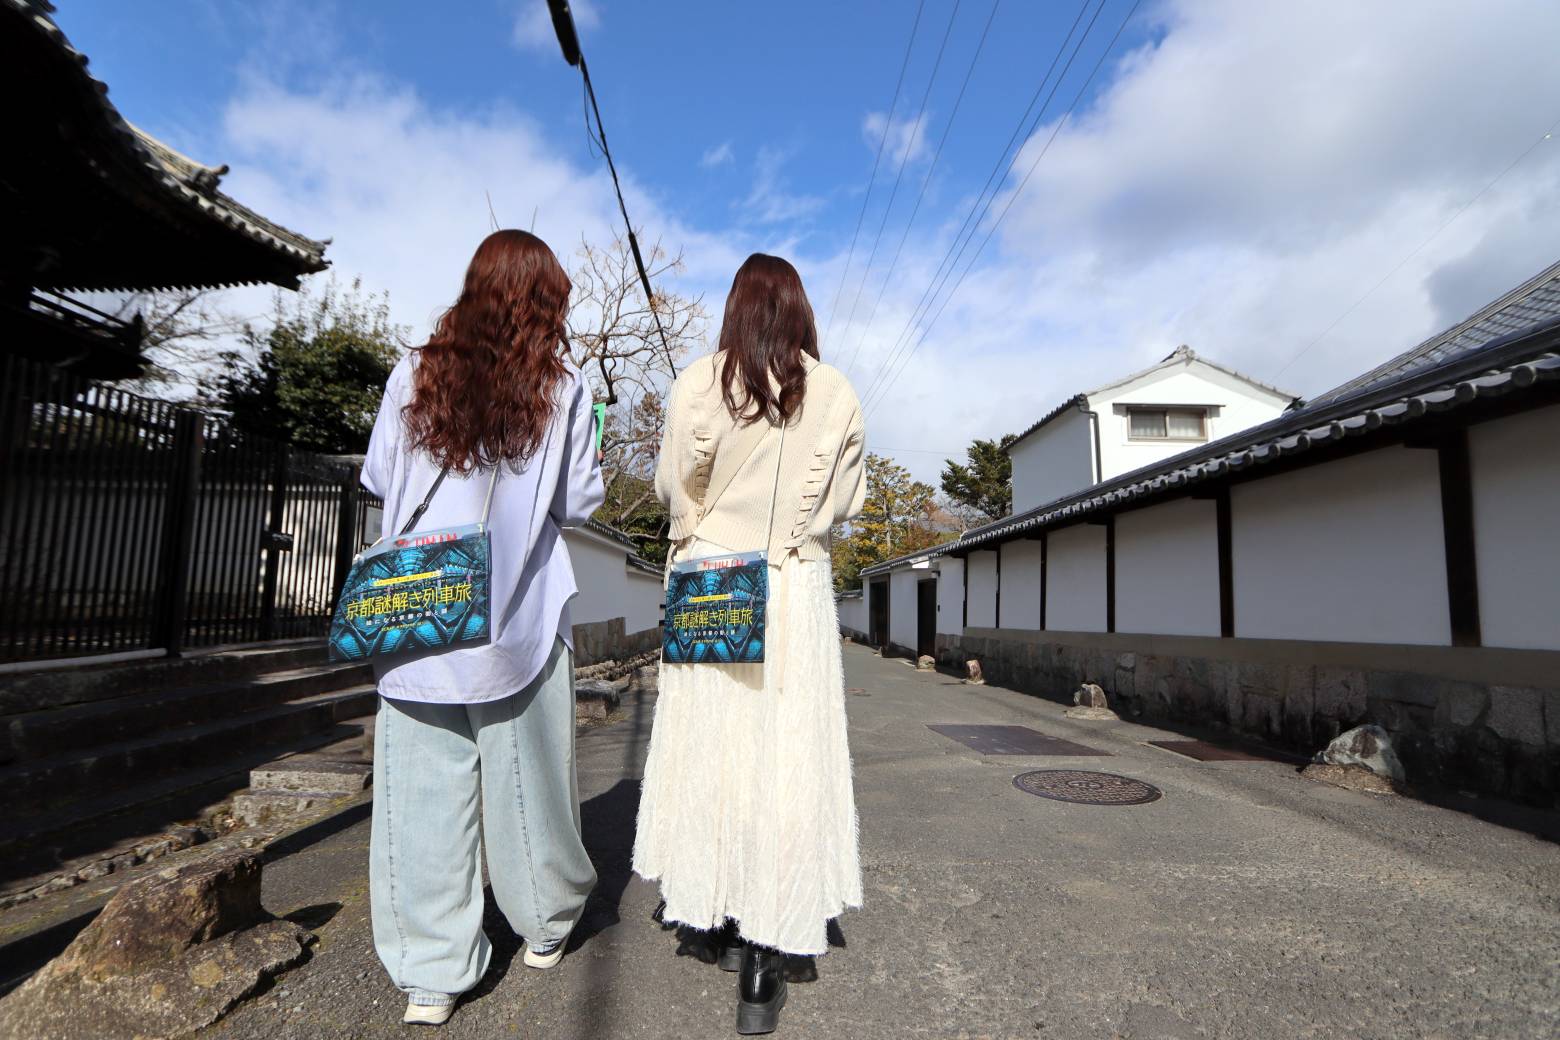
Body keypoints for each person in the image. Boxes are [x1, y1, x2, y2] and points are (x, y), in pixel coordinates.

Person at [359, 230, 604, 1027]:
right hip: (513, 617)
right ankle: (545, 925)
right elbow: (580, 502)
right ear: (546, 302)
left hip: (417, 614)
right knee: (529, 786)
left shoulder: (413, 372)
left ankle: (430, 976)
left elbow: (378, 478)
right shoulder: (562, 386)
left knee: (420, 797)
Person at [633, 253, 867, 1035]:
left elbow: (672, 488)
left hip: (711, 583)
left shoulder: (698, 382)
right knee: (786, 758)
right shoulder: (835, 392)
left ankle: (709, 914)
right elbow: (846, 499)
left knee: (711, 751)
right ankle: (765, 963)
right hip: (793, 584)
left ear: (735, 307)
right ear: (800, 310)